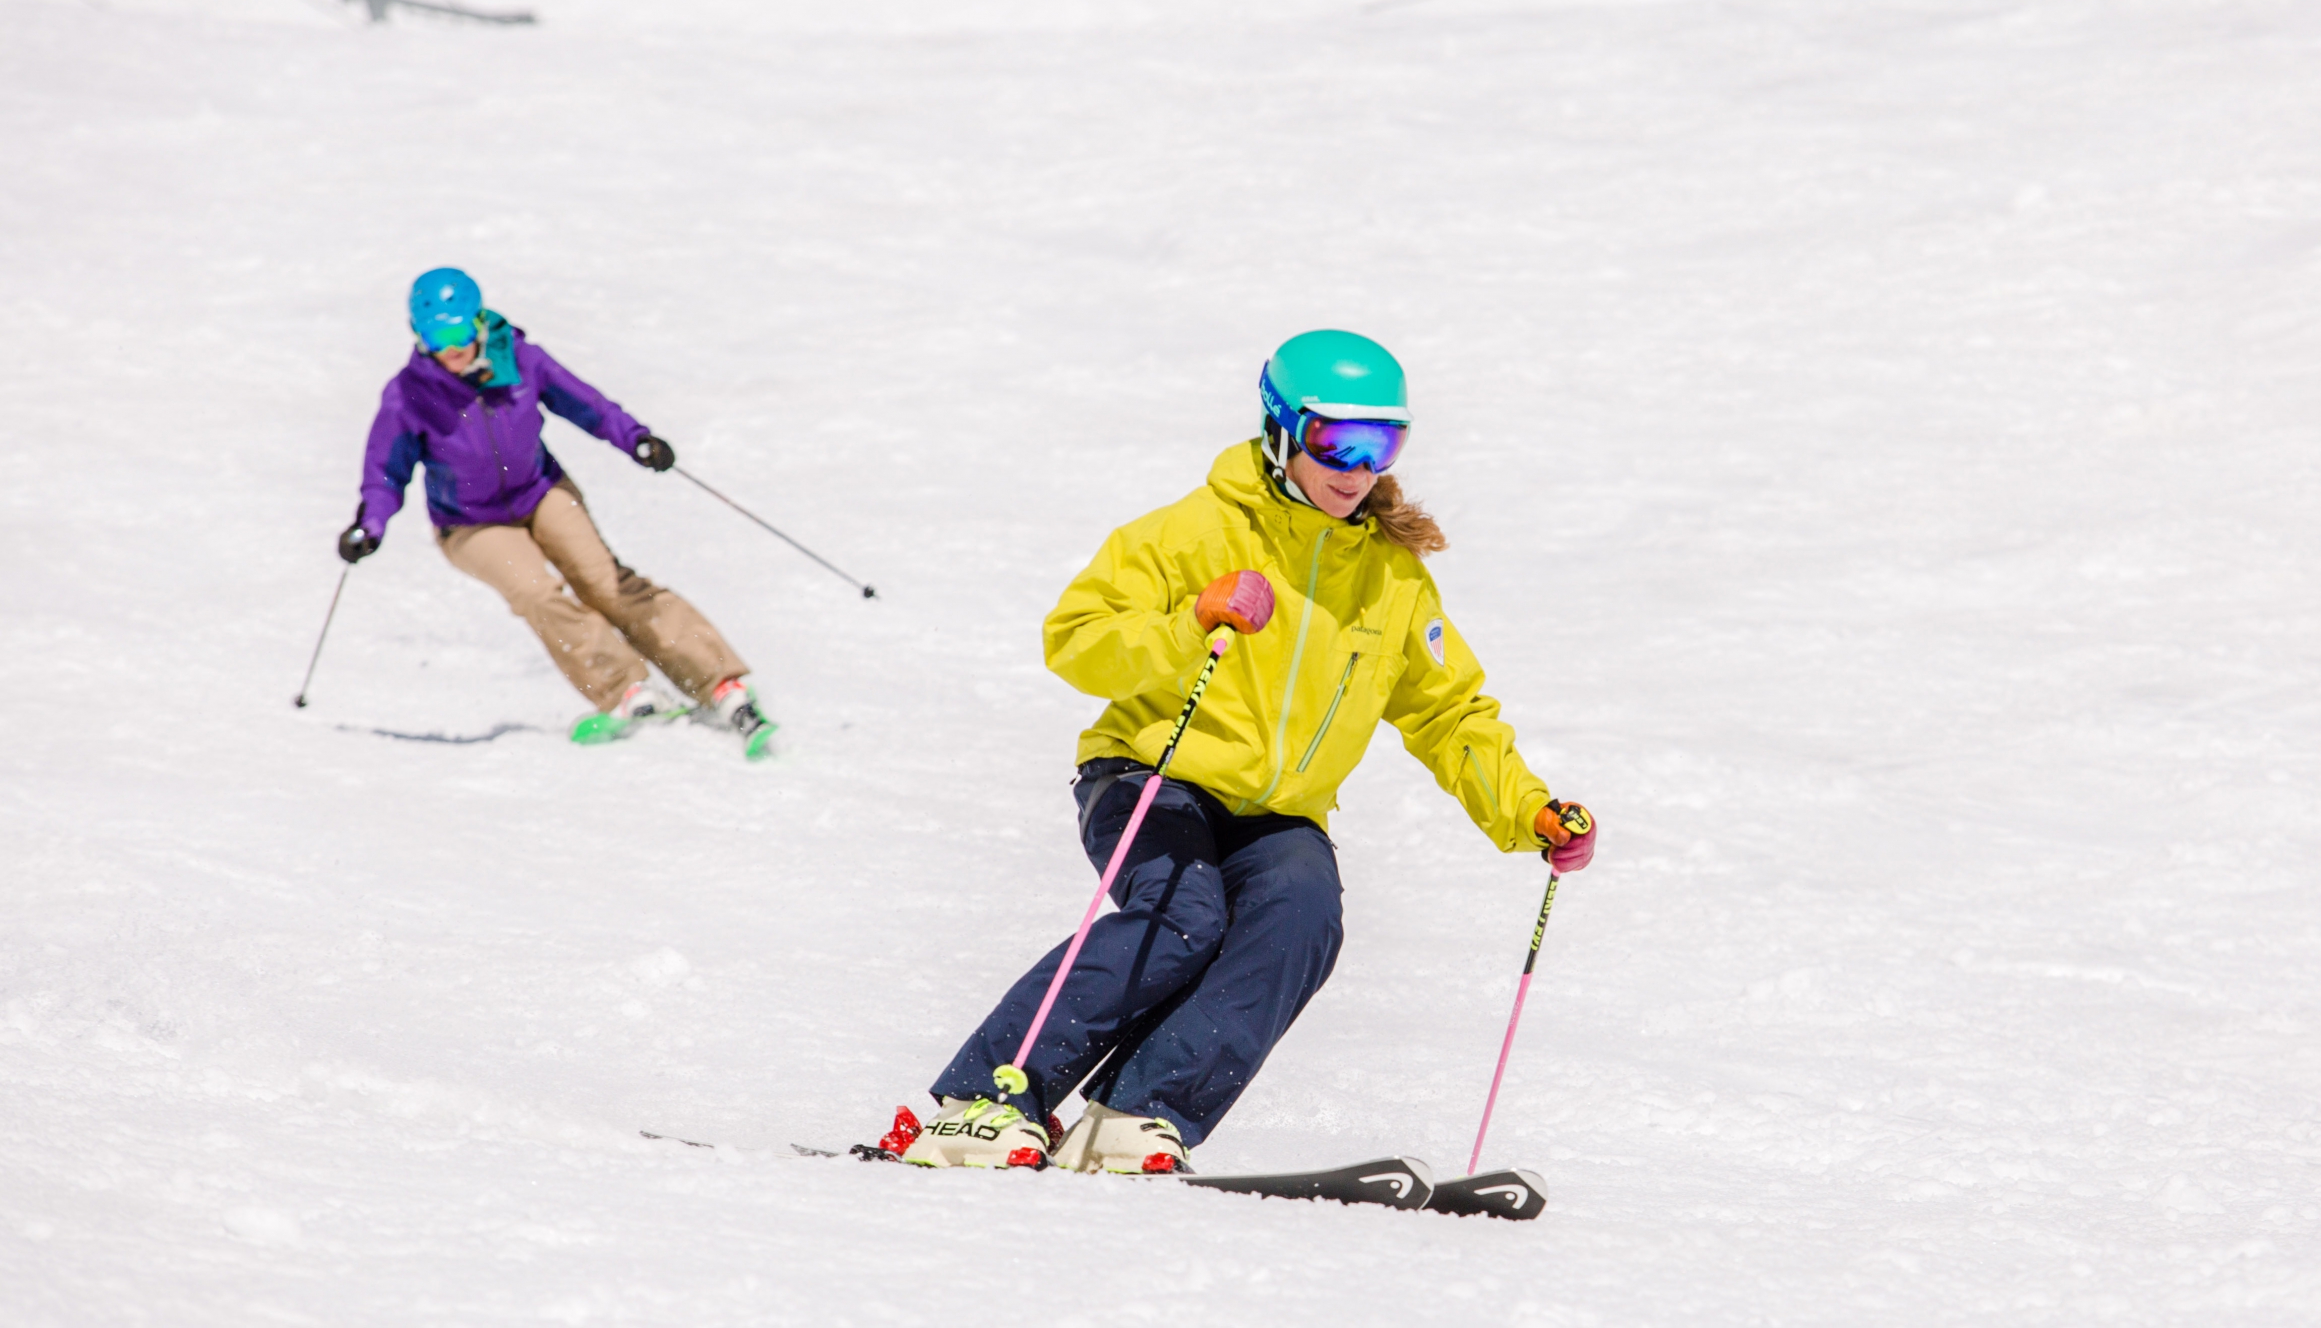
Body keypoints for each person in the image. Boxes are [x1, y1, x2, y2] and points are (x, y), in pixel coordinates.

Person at [888, 329, 1597, 1173]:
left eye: (1384, 443)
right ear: (1282, 427)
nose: (1357, 466)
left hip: (1278, 813)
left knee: (1303, 917)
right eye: (1337, 438)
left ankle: (1135, 1112)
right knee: (1182, 916)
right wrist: (1191, 623)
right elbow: (1076, 640)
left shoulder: (1393, 580)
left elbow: (1450, 713)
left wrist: (1528, 809)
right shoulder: (1195, 531)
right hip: (1153, 774)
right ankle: (986, 1099)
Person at [337, 267, 778, 758]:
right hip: (470, 524)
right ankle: (623, 690)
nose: (453, 348)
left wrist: (637, 439)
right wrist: (369, 525)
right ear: (418, 336)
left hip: (540, 490)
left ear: (479, 322)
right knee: (535, 591)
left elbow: (586, 405)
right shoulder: (409, 395)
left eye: (460, 331)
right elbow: (384, 472)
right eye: (438, 336)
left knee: (605, 583)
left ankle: (718, 681)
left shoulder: (521, 360)